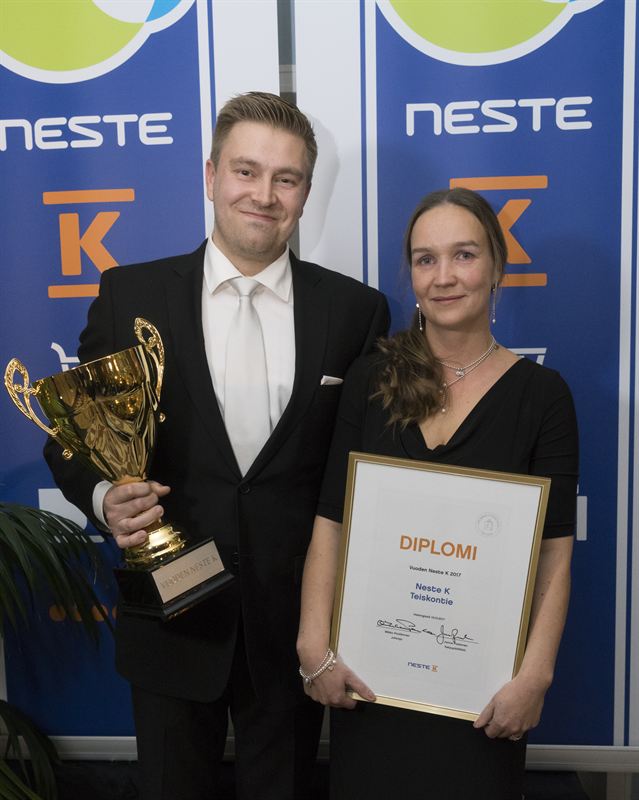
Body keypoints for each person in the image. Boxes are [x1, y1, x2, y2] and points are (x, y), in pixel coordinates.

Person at [44, 91, 389, 800]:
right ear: (210, 176)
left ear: (305, 193)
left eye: (286, 178)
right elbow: (73, 436)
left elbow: (362, 470)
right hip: (169, 616)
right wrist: (105, 498)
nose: (263, 195)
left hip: (294, 628)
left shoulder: (355, 310)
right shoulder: (129, 295)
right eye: (245, 171)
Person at [297, 188, 578, 799]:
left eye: (464, 255)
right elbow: (331, 520)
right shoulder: (371, 379)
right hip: (369, 687)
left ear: (497, 267)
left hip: (483, 699)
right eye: (425, 259)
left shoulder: (543, 397)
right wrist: (312, 643)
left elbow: (554, 553)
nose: (444, 276)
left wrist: (535, 677)